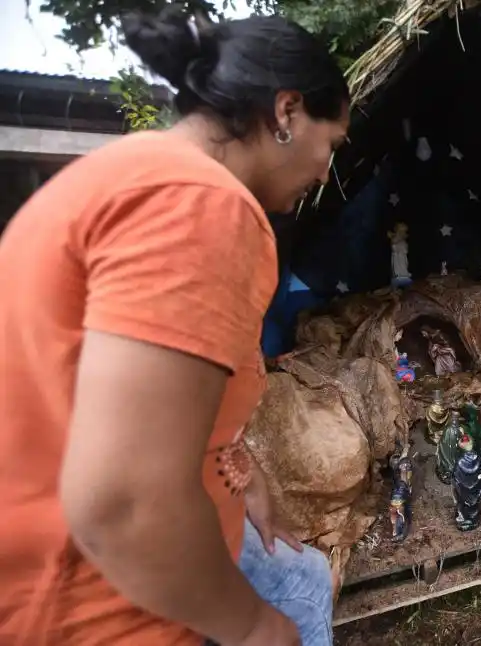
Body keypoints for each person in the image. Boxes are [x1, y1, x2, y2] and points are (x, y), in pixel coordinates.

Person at [0, 6, 349, 646]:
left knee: (304, 577)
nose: (326, 171)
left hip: (110, 556)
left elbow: (162, 398)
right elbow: (126, 503)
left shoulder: (138, 172)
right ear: (287, 112)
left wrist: (247, 477)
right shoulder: (203, 205)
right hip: (92, 603)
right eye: (331, 145)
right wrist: (249, 627)